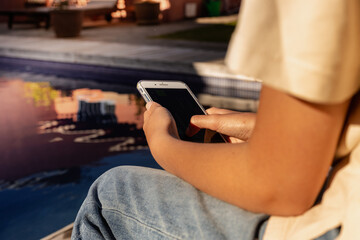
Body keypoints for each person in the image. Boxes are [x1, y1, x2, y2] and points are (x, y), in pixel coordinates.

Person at [71, 0, 360, 239]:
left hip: (341, 223)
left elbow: (280, 190)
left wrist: (163, 145)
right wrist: (266, 131)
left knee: (111, 195)